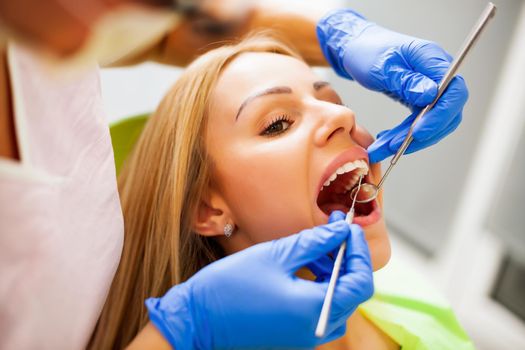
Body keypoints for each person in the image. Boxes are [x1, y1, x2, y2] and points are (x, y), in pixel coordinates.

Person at [0, 1, 468, 349]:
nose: (342, 119)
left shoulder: (412, 302)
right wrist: (187, 331)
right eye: (277, 123)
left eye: (333, 100)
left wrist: (338, 36)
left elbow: (156, 26)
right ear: (207, 208)